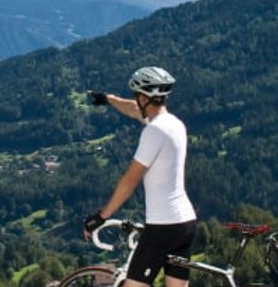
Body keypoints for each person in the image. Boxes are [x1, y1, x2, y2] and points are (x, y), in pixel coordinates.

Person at [83, 66, 196, 287]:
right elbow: (135, 110)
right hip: (185, 223)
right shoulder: (174, 123)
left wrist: (101, 216)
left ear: (144, 98)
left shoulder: (154, 131)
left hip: (163, 225)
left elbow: (130, 181)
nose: (136, 100)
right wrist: (109, 99)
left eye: (137, 95)